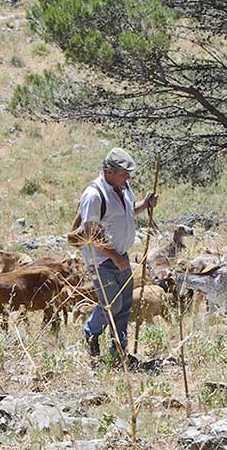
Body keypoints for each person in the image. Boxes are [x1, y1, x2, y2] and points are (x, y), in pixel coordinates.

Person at [80, 148, 157, 364]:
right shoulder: (94, 195)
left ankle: (118, 353)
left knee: (123, 304)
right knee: (111, 304)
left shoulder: (122, 187)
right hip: (102, 260)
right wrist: (114, 256)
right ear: (109, 171)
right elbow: (91, 234)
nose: (128, 178)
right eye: (124, 173)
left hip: (120, 256)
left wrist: (145, 204)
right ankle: (91, 332)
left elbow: (129, 210)